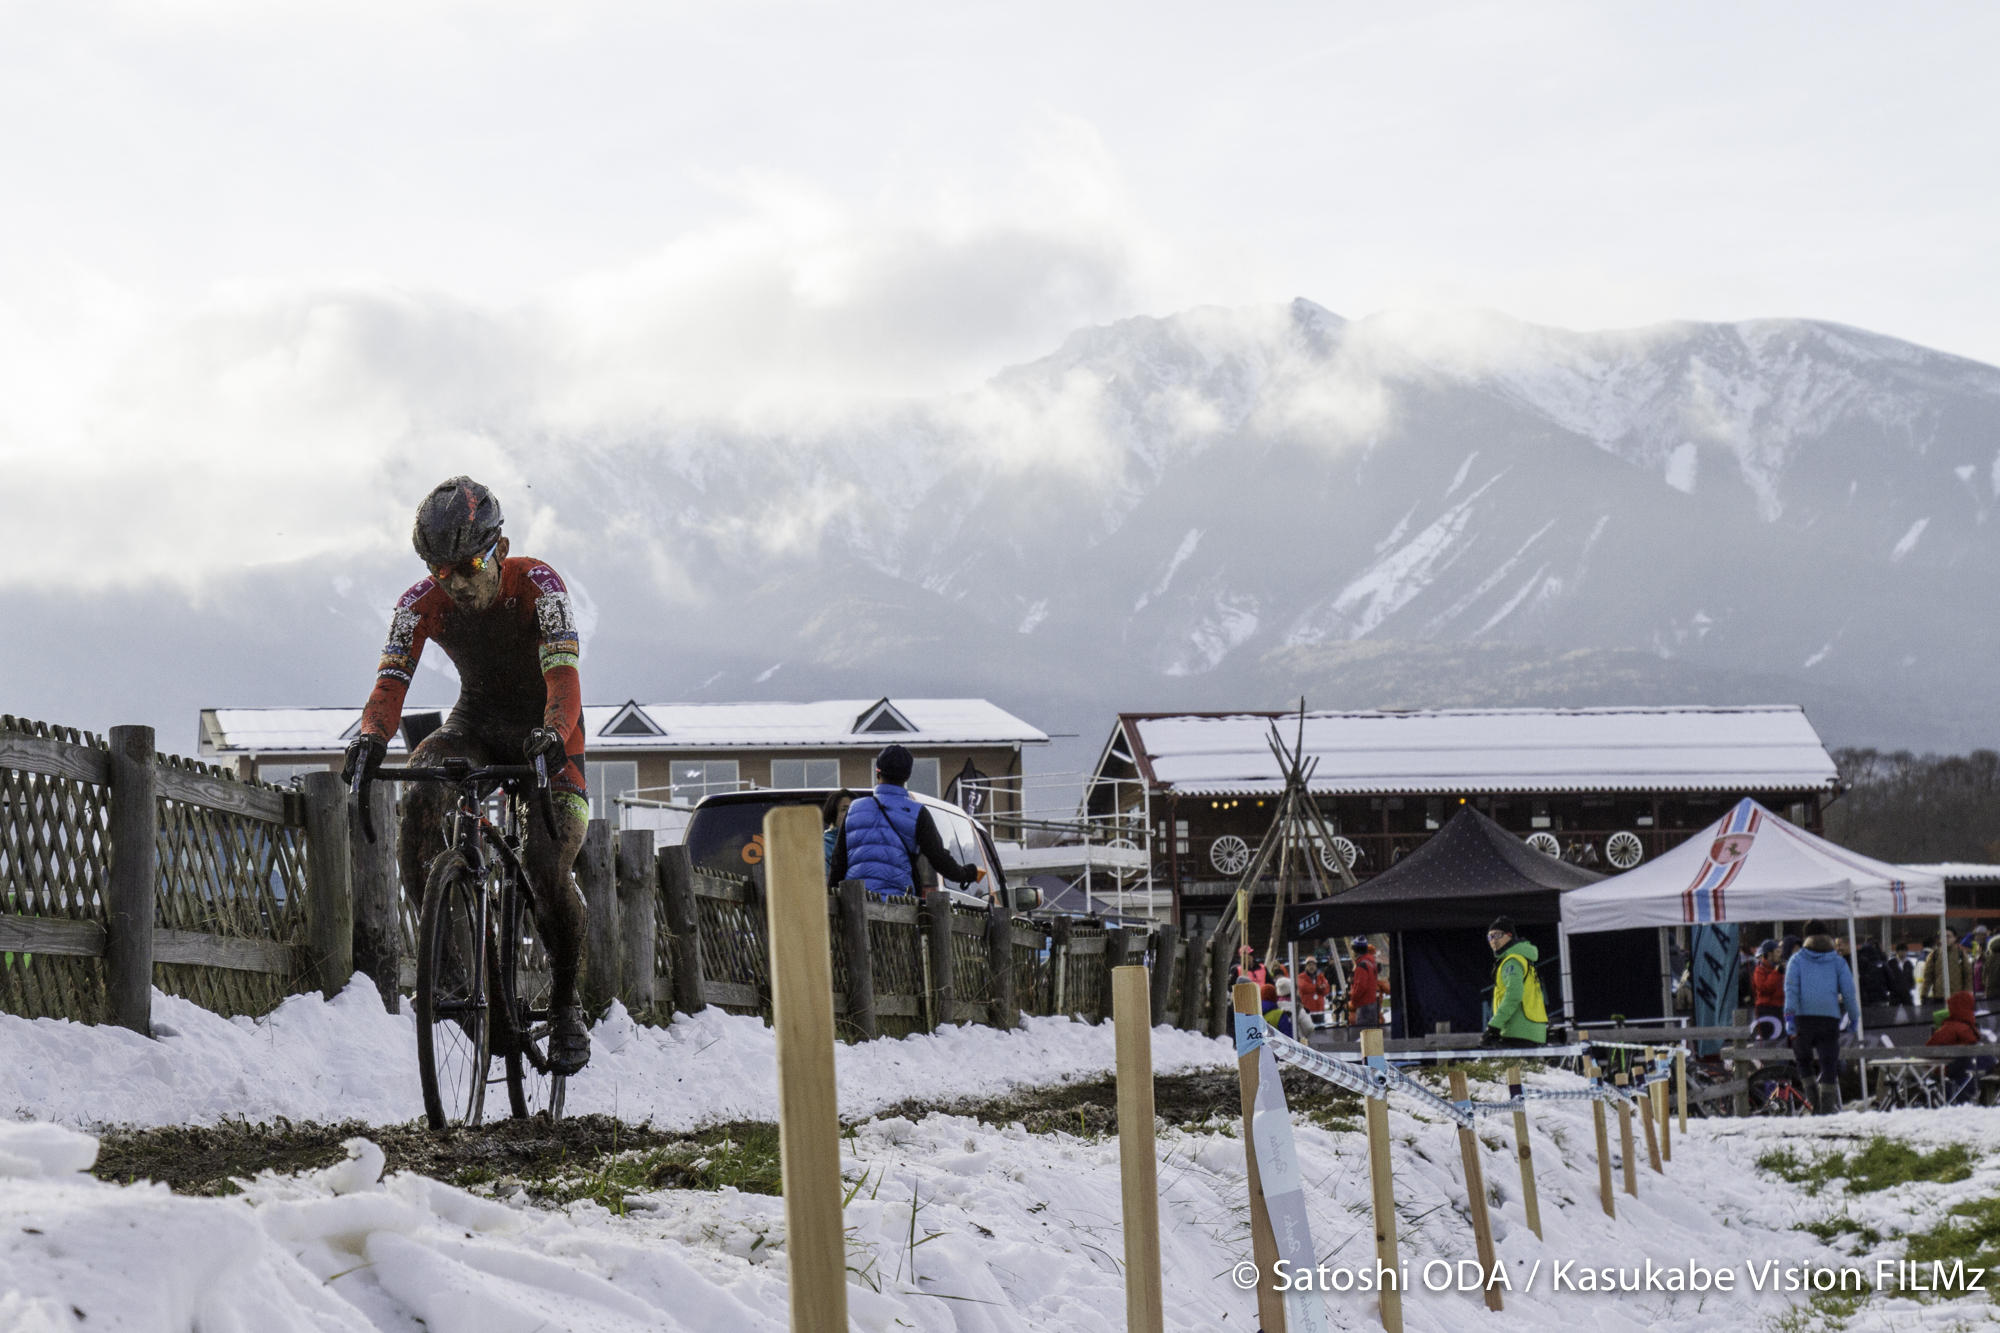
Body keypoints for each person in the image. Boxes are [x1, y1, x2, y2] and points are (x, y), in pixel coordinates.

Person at [339, 477, 593, 1075]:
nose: (455, 582)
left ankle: (564, 1004)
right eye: (438, 570)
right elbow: (391, 681)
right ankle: (454, 970)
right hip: (477, 721)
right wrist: (371, 738)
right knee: (425, 772)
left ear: (498, 547)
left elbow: (564, 678)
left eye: (470, 564)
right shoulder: (416, 603)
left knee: (546, 861)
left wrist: (554, 734)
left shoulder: (542, 585)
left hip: (553, 733)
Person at [828, 744, 986, 899]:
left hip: (855, 903)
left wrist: (832, 901)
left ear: (878, 773)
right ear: (907, 777)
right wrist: (968, 873)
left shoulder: (854, 809)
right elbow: (939, 859)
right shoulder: (917, 813)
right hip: (897, 904)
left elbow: (838, 862)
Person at [1784, 919, 1861, 1115]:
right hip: (1829, 1018)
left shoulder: (1797, 960)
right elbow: (1849, 992)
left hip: (1802, 1018)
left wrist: (1789, 1018)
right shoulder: (1837, 961)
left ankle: (1812, 1102)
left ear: (1805, 938)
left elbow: (1791, 991)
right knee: (1829, 1063)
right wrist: (1854, 1017)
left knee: (1803, 1060)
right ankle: (1826, 1108)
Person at [1481, 917, 1547, 1048]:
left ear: (1510, 935)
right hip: (1534, 1030)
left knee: (1512, 1069)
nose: (1493, 941)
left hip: (1517, 1031)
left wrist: (1494, 1025)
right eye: (1490, 937)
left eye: (1498, 935)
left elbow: (1513, 995)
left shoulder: (1511, 961)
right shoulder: (1525, 959)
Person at [1749, 939, 1786, 1042]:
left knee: (1781, 1040)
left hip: (1780, 1007)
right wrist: (1776, 973)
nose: (1780, 954)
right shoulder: (1760, 970)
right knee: (1768, 1040)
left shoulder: (1779, 968)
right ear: (1769, 954)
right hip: (1766, 1009)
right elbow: (1764, 988)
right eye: (1777, 952)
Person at [1348, 936, 1385, 1028]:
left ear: (1356, 951)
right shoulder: (1370, 962)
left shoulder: (1362, 965)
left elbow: (1360, 986)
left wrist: (1352, 997)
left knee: (1363, 1032)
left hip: (1364, 1005)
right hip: (1372, 1003)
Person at [820, 789, 854, 875]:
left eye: (853, 809)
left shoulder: (866, 843)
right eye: (844, 809)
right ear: (833, 814)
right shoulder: (824, 846)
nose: (850, 813)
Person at [1296, 956, 1331, 1029]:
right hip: (1308, 1011)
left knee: (1321, 1032)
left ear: (1316, 966)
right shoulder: (1300, 977)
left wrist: (1320, 988)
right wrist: (1317, 987)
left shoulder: (1320, 976)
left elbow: (1326, 989)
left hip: (1320, 1010)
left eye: (1313, 965)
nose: (1311, 967)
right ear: (1306, 966)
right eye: (1309, 965)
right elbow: (1303, 987)